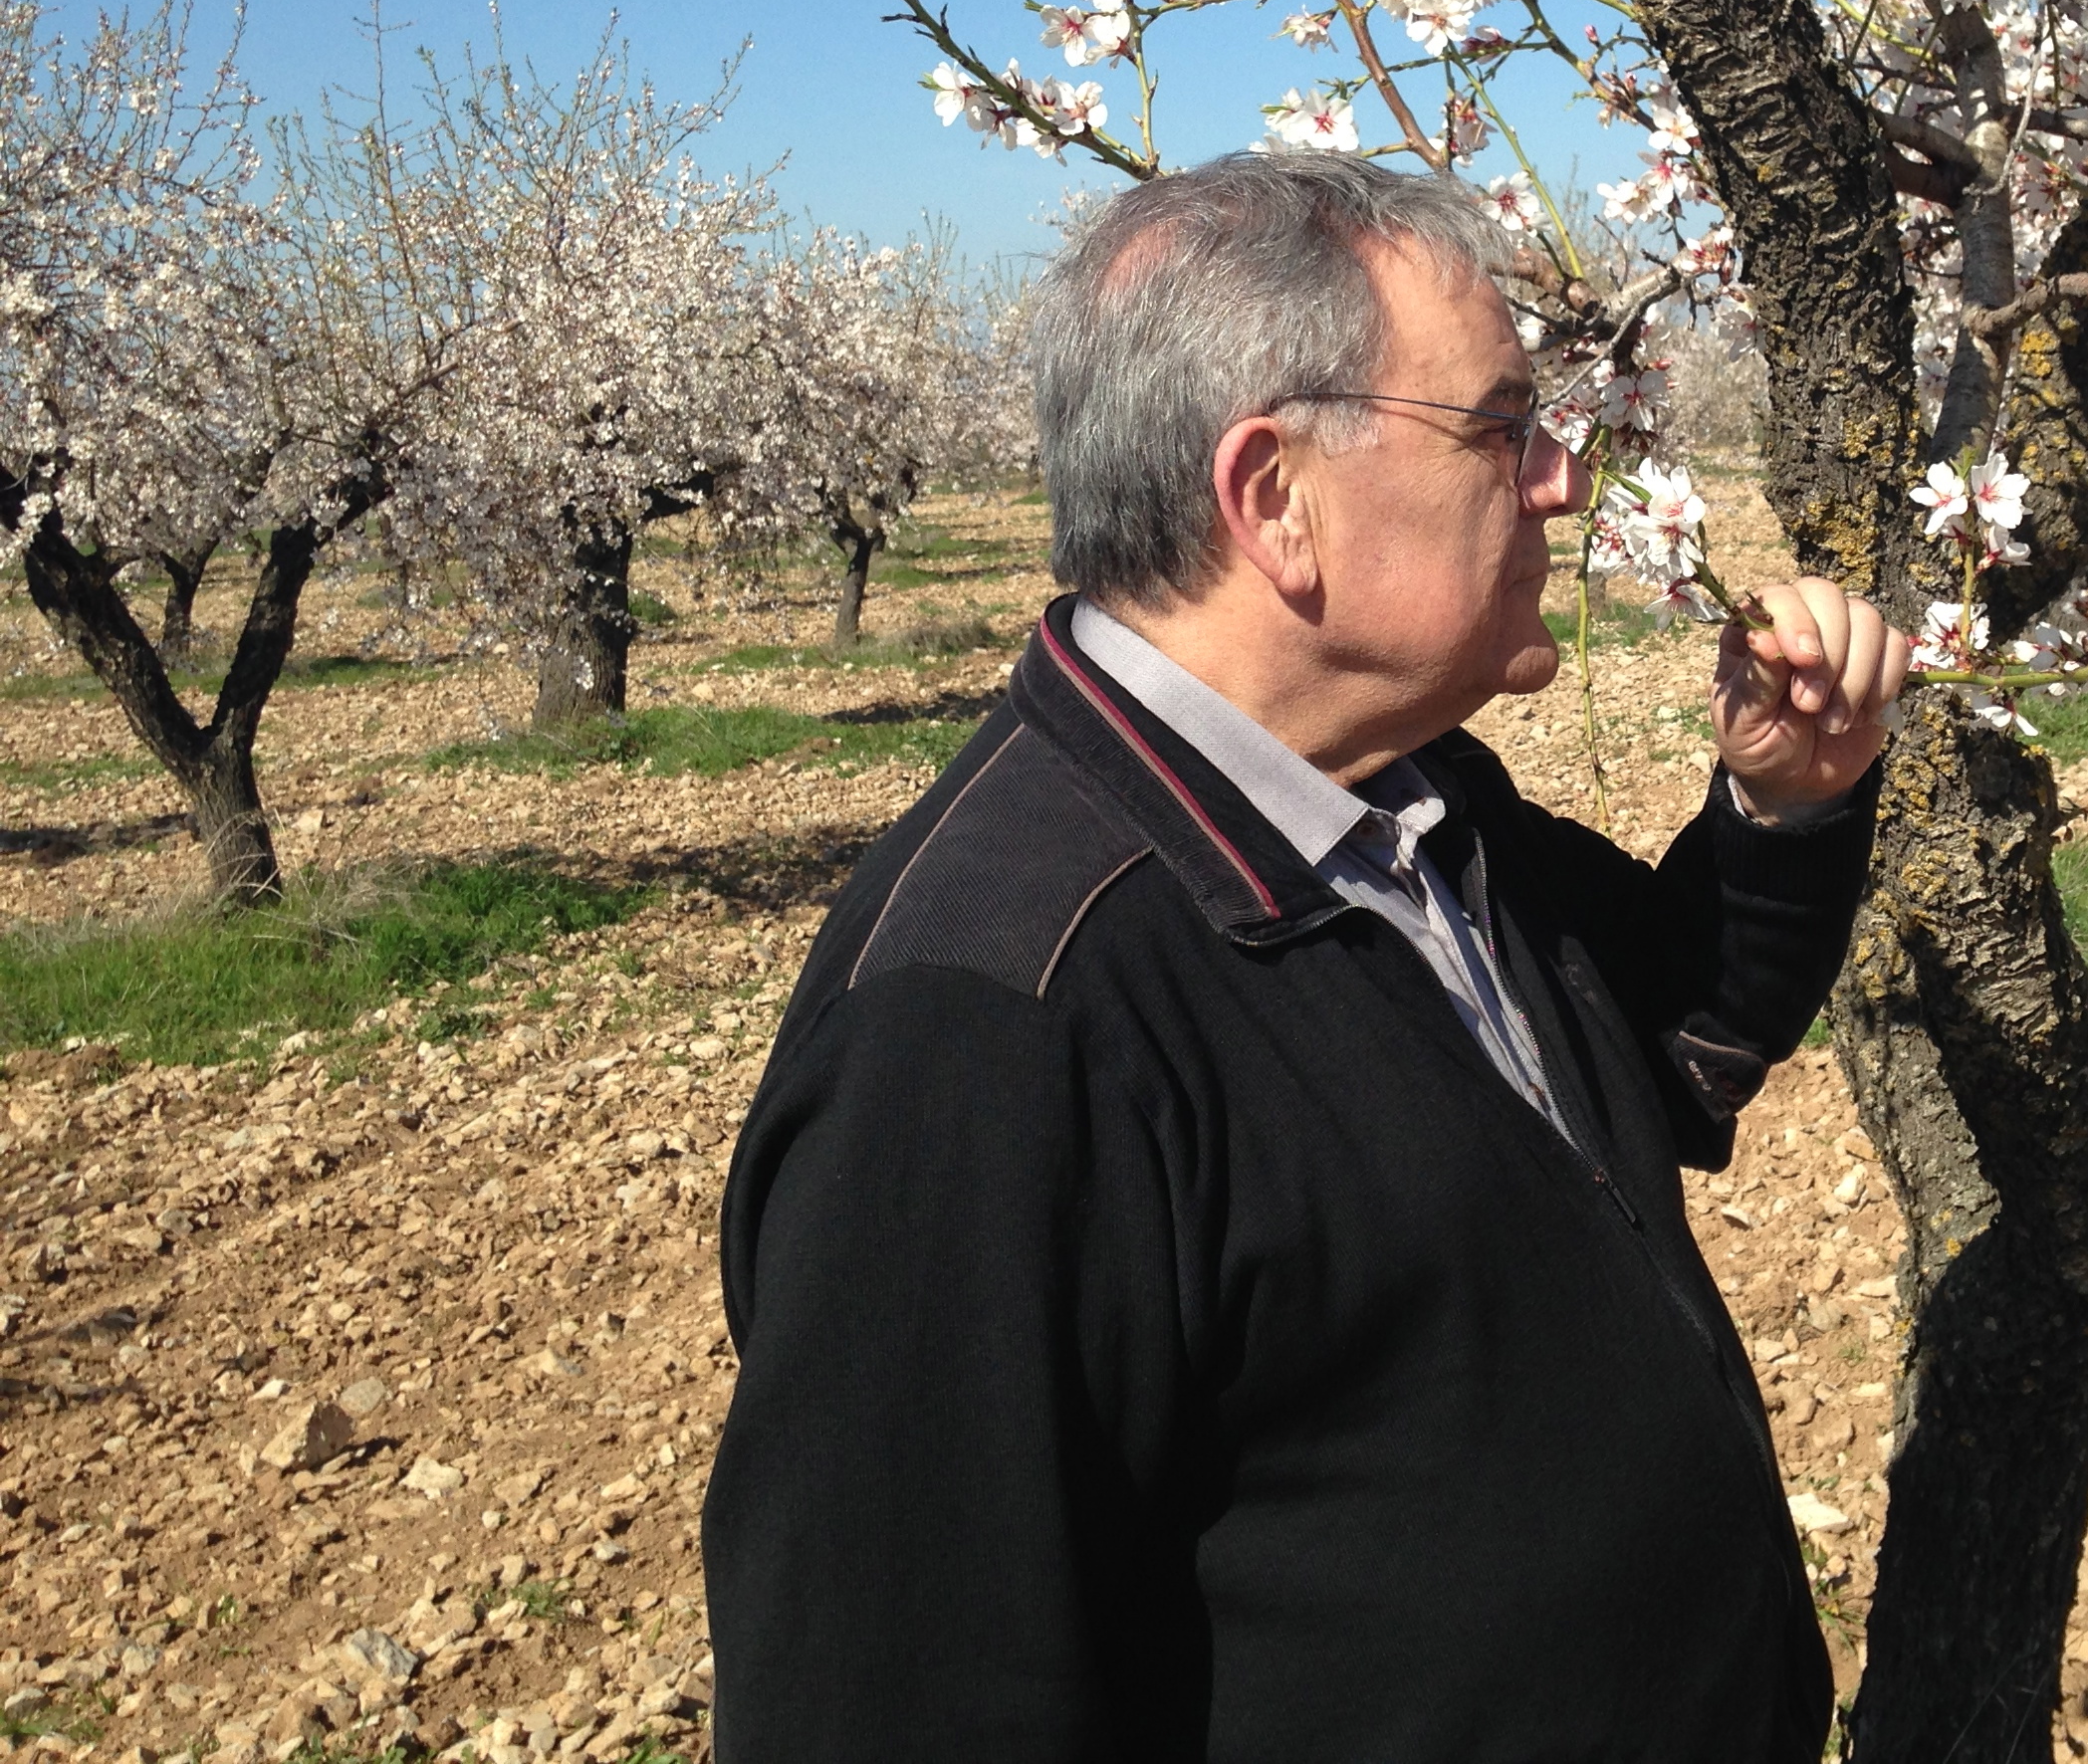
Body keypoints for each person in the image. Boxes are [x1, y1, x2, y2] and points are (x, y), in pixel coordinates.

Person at [701, 154, 1908, 1763]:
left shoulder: (1406, 800)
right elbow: (893, 1700)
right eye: (1498, 427)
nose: (1559, 477)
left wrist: (1782, 804)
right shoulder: (985, 1036)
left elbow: (1662, 1045)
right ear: (1274, 497)